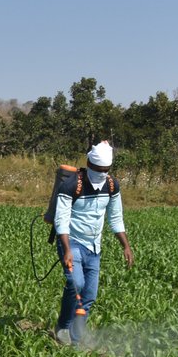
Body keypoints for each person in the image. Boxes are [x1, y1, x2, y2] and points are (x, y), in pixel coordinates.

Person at [52, 140, 133, 345]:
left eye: (105, 170)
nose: (101, 173)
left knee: (89, 295)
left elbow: (115, 218)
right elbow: (61, 219)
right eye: (98, 169)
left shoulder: (112, 185)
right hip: (72, 241)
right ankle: (62, 327)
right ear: (89, 164)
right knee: (76, 283)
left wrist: (125, 245)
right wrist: (67, 249)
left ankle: (77, 336)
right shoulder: (71, 185)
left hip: (94, 246)